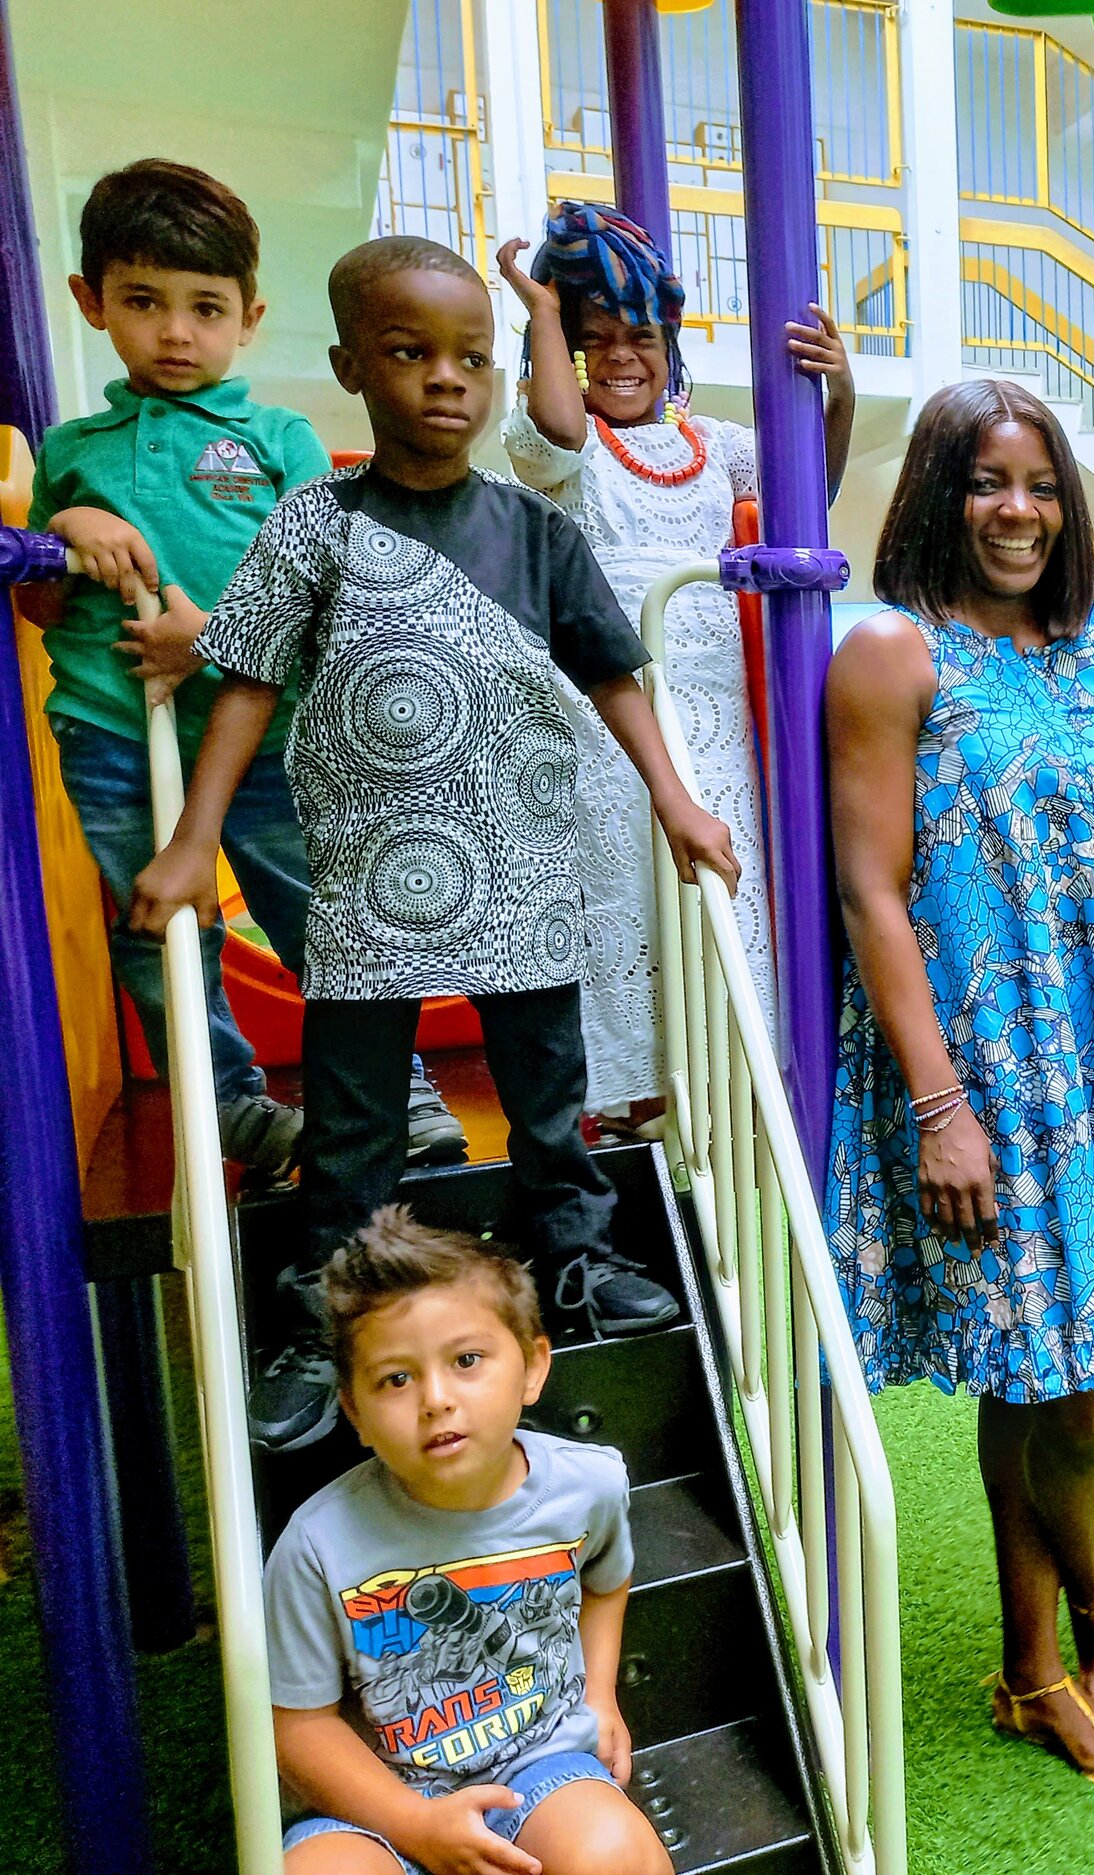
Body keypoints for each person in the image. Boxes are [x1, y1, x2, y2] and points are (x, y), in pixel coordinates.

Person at [130, 237, 736, 1452]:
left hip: (522, 862)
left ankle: (571, 1261)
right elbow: (243, 680)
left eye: (469, 357)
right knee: (353, 1125)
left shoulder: (534, 529)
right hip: (366, 874)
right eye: (410, 355)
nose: (446, 381)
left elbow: (616, 675)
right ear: (354, 365)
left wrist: (674, 796)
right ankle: (328, 1318)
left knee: (547, 1099)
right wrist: (193, 843)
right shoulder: (318, 524)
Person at [824, 378, 1094, 1791]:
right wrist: (939, 1103)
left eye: (1041, 484)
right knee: (1071, 1385)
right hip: (989, 1072)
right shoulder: (893, 657)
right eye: (986, 481)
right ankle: (1072, 1613)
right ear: (938, 495)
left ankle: (1044, 1649)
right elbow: (871, 893)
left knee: (1066, 1372)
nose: (1019, 509)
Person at [19, 158, 462, 1180]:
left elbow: (329, 589)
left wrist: (208, 635)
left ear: (249, 318)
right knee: (160, 929)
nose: (177, 332)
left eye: (204, 308)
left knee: (323, 913)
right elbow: (43, 606)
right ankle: (233, 1113)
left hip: (269, 732)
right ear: (92, 303)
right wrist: (66, 527)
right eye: (143, 302)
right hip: (115, 731)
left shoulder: (276, 440)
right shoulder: (72, 447)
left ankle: (403, 1100)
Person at [496, 204, 858, 1127]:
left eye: (641, 338)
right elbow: (556, 431)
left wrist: (841, 397)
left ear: (671, 343)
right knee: (628, 896)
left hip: (715, 714)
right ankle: (636, 1100)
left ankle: (726, 1087)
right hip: (611, 723)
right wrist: (539, 313)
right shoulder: (566, 451)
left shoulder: (711, 443)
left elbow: (803, 495)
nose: (621, 357)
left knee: (723, 900)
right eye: (594, 342)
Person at [263, 1207, 674, 1874]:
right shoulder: (316, 1546)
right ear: (355, 1412)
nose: (436, 1398)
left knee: (616, 1852)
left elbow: (605, 1577)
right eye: (396, 1378)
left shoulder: (588, 1485)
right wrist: (415, 1824)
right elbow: (299, 1726)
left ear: (533, 1367)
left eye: (466, 1359)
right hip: (379, 1803)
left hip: (540, 1770)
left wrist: (599, 1695)